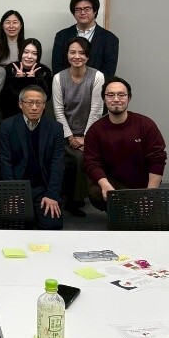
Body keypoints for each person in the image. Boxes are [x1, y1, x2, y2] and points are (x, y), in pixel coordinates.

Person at [83, 77, 167, 211]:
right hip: (114, 185)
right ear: (104, 99)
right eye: (110, 95)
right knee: (96, 192)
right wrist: (106, 186)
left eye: (121, 94)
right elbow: (92, 163)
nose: (116, 99)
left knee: (156, 220)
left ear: (129, 98)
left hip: (143, 185)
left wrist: (150, 194)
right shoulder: (95, 130)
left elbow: (157, 160)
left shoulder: (146, 125)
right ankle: (126, 209)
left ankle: (136, 206)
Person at [0, 85, 65, 230]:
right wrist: (12, 193)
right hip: (18, 186)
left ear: (44, 105)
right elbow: (5, 162)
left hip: (43, 187)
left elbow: (57, 164)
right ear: (20, 104)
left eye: (38, 103)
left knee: (52, 226)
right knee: (14, 225)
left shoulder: (56, 128)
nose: (34, 107)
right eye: (29, 103)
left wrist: (52, 194)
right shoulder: (7, 126)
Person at [52, 37, 105, 217]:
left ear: (88, 56)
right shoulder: (59, 78)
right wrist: (70, 137)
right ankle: (70, 198)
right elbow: (59, 112)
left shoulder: (97, 77)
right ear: (67, 55)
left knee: (82, 157)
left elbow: (96, 110)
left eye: (82, 53)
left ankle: (76, 199)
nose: (77, 56)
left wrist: (86, 137)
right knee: (71, 158)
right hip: (65, 133)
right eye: (72, 52)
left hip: (91, 132)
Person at [51, 0, 119, 79]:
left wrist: (90, 84)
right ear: (74, 13)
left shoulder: (110, 39)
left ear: (95, 11)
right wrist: (72, 83)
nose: (82, 13)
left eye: (87, 9)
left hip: (97, 86)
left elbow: (109, 71)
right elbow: (57, 67)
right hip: (67, 85)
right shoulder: (62, 36)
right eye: (78, 9)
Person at [0, 38, 52, 120]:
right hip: (11, 117)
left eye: (34, 53)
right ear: (21, 53)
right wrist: (18, 80)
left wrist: (32, 80)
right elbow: (5, 99)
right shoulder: (11, 68)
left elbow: (46, 97)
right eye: (26, 52)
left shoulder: (44, 71)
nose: (29, 56)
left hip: (36, 117)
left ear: (38, 56)